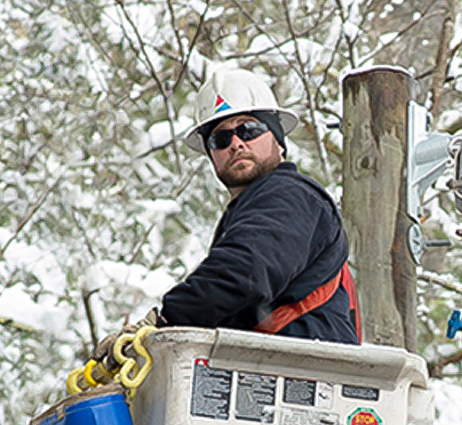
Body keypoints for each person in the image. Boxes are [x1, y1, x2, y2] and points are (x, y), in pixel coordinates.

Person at [154, 68, 361, 345]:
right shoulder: (249, 212)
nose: (236, 144)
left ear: (277, 139)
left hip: (306, 371)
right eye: (220, 138)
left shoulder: (290, 195)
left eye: (249, 129)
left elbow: (244, 273)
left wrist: (167, 319)